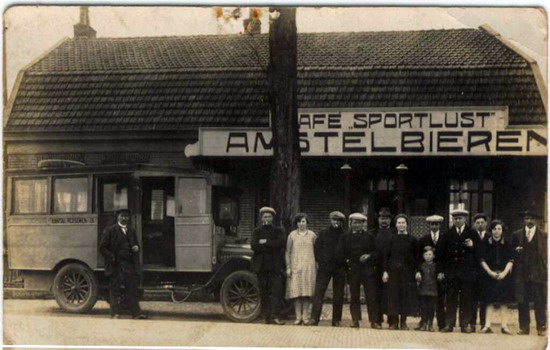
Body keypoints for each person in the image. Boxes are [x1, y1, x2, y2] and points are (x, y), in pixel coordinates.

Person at [99, 209, 148, 319]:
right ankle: (115, 313)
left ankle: (136, 314)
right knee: (115, 289)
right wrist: (112, 258)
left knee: (131, 289)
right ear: (118, 217)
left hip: (128, 264)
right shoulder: (110, 230)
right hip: (115, 265)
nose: (124, 218)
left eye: (126, 216)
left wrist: (136, 247)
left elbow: (136, 245)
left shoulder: (131, 231)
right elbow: (102, 248)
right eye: (122, 216)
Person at [336, 212, 381, 329]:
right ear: (350, 223)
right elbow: (339, 254)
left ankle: (374, 321)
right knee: (354, 296)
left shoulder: (369, 237)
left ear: (363, 224)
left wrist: (369, 256)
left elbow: (377, 252)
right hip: (353, 269)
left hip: (368, 269)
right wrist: (348, 263)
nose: (357, 225)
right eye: (355, 223)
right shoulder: (344, 237)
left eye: (359, 223)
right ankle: (355, 320)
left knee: (371, 296)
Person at [439, 209, 477, 334]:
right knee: (451, 299)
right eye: (455, 218)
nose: (457, 220)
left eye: (460, 218)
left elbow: (480, 253)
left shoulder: (472, 233)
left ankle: (464, 324)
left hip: (467, 273)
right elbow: (441, 254)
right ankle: (449, 324)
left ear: (465, 219)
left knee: (466, 299)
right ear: (452, 220)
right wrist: (441, 271)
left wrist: (473, 246)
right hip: (452, 272)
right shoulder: (447, 234)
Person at [511, 210, 547, 336]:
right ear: (524, 220)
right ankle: (524, 327)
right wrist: (515, 250)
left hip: (538, 273)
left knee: (540, 301)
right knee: (523, 301)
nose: (530, 221)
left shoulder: (544, 235)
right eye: (527, 218)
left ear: (536, 220)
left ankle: (541, 327)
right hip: (522, 273)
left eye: (532, 218)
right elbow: (511, 253)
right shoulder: (517, 235)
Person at [309, 211, 346, 327]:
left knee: (338, 293)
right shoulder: (323, 233)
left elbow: (347, 250)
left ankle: (336, 320)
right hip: (325, 267)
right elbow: (317, 248)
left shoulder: (344, 235)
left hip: (339, 267)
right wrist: (321, 261)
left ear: (341, 222)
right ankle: (314, 318)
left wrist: (343, 262)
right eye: (334, 220)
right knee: (319, 292)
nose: (336, 222)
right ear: (330, 220)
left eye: (338, 221)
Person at [382, 214, 419, 330]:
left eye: (403, 223)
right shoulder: (390, 239)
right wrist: (385, 271)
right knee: (393, 297)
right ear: (396, 225)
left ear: (407, 225)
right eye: (399, 223)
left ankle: (403, 322)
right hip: (393, 273)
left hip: (407, 273)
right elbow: (386, 257)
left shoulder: (413, 240)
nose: (401, 225)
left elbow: (417, 257)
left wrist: (417, 271)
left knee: (405, 297)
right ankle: (393, 322)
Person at [250, 207, 286, 325]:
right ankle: (265, 316)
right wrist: (271, 243)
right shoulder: (257, 231)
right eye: (265, 217)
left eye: (269, 217)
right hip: (261, 267)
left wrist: (265, 242)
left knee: (276, 292)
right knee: (263, 292)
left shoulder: (278, 230)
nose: (267, 219)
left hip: (275, 266)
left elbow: (280, 243)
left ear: (272, 218)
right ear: (261, 218)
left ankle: (275, 316)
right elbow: (254, 246)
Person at [479, 220, 515, 335]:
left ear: (502, 230)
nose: (496, 231)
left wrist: (504, 273)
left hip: (504, 276)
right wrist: (490, 272)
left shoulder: (508, 244)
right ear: (491, 230)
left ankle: (504, 326)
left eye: (499, 229)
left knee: (504, 302)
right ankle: (487, 326)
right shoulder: (485, 243)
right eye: (494, 229)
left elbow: (511, 260)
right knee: (489, 301)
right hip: (489, 276)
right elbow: (482, 260)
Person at [286, 213, 317, 325]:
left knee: (306, 293)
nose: (301, 224)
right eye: (299, 221)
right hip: (296, 267)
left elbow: (317, 251)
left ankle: (306, 317)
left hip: (309, 268)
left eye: (303, 221)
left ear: (307, 222)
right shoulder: (292, 235)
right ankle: (298, 317)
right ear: (296, 223)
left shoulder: (312, 235)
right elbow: (288, 252)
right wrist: (288, 267)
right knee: (297, 293)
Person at [418, 214, 446, 331]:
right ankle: (424, 322)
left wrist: (442, 271)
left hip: (439, 273)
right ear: (429, 225)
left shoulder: (444, 238)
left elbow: (446, 256)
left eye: (436, 224)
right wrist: (419, 271)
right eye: (432, 224)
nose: (434, 226)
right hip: (426, 274)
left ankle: (441, 324)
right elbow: (419, 257)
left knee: (439, 299)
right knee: (425, 300)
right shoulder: (423, 239)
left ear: (439, 225)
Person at [369, 207, 394, 327]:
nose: (384, 221)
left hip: (391, 268)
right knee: (375, 294)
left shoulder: (394, 233)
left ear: (390, 220)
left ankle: (392, 320)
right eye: (381, 218)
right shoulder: (372, 233)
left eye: (386, 218)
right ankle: (376, 320)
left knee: (390, 294)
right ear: (378, 219)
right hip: (375, 268)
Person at [470, 213, 490, 331]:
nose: (480, 225)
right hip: (473, 272)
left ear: (486, 224)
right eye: (478, 223)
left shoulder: (489, 237)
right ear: (474, 224)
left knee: (484, 299)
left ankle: (484, 324)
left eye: (482, 222)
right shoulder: (470, 235)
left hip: (486, 272)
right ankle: (472, 323)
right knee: (472, 298)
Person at [416, 246, 438, 332]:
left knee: (431, 307)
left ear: (433, 256)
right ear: (423, 256)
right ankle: (424, 323)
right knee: (423, 307)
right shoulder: (421, 266)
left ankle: (430, 324)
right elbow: (418, 277)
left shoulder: (436, 266)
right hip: (423, 290)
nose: (428, 256)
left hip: (433, 290)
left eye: (430, 254)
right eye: (426, 254)